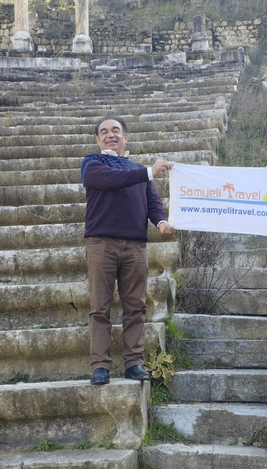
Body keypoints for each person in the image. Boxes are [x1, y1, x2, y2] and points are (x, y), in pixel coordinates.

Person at [81, 114, 176, 385]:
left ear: (126, 136)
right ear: (98, 139)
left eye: (116, 130)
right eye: (104, 131)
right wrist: (149, 171)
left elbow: (152, 202)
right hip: (102, 245)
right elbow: (112, 179)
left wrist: (161, 221)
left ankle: (134, 362)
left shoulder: (138, 171)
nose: (110, 135)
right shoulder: (92, 164)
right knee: (100, 307)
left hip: (135, 246)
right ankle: (100, 365)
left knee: (135, 307)